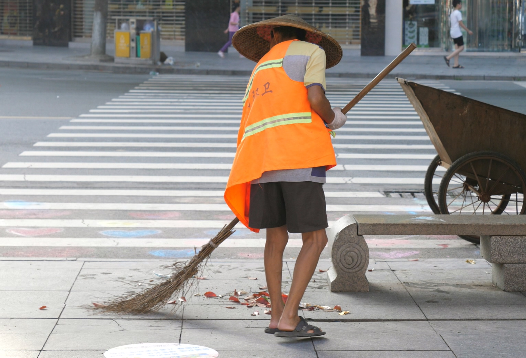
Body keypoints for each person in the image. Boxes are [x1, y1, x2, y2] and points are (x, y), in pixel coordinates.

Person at [225, 15, 346, 338]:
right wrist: (334, 118)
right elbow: (315, 99)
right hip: (298, 155)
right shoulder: (310, 51)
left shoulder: (262, 65)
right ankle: (291, 316)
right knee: (316, 238)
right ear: (308, 36)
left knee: (275, 239)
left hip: (260, 162)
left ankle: (277, 315)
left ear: (273, 34)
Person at [444, 0, 472, 69]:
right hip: (457, 32)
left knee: (457, 48)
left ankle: (456, 64)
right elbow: (461, 23)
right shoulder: (458, 13)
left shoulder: (453, 13)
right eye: (460, 4)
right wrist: (468, 30)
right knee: (461, 48)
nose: (461, 5)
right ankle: (448, 58)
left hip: (453, 32)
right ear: (458, 4)